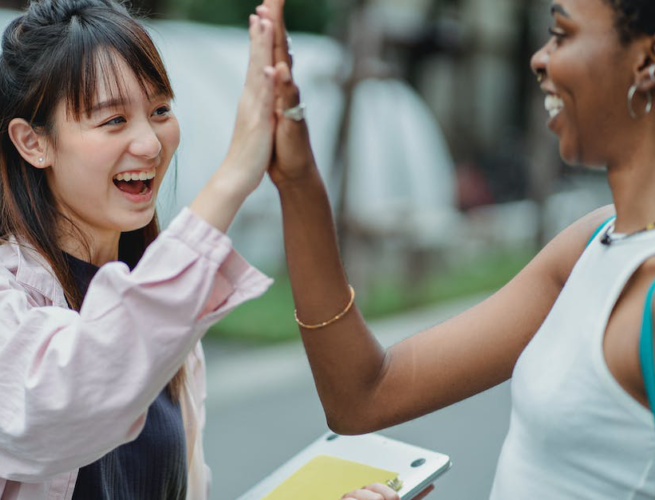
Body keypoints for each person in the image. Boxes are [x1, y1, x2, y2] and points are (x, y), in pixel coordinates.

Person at [256, 0, 655, 498]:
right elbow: (363, 395)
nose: (539, 58)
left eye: (561, 34)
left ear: (645, 63)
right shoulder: (591, 244)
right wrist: (297, 180)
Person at [0, 0, 282, 498]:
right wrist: (235, 174)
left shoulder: (162, 320)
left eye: (160, 110)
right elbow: (78, 391)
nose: (150, 143)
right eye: (113, 120)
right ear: (33, 143)